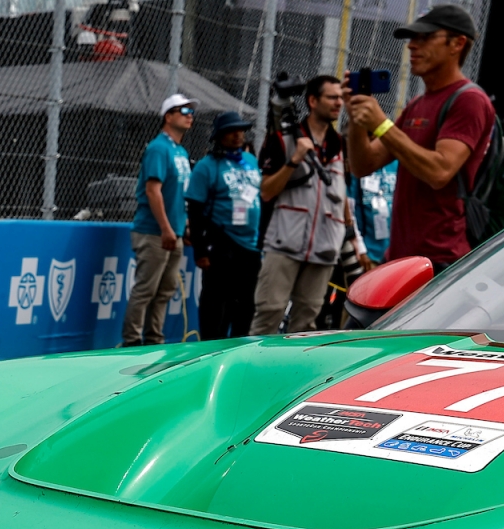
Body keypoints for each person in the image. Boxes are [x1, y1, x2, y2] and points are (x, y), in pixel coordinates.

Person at [344, 3, 494, 266]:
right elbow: (362, 165)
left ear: (457, 44)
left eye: (424, 37)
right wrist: (356, 118)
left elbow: (440, 172)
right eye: (412, 38)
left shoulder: (469, 100)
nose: (412, 46)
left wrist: (381, 124)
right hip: (402, 258)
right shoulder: (417, 104)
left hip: (440, 261)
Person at [251, 76, 349, 335]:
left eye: (341, 97)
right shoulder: (282, 139)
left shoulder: (339, 144)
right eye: (332, 97)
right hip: (284, 244)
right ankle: (253, 372)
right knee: (268, 315)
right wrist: (294, 160)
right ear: (313, 101)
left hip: (324, 248)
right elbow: (266, 191)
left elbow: (342, 198)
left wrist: (352, 242)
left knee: (306, 324)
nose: (339, 103)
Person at [122, 93, 193, 346]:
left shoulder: (181, 151)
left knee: (164, 291)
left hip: (172, 232)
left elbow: (180, 194)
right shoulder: (158, 148)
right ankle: (131, 341)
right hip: (155, 232)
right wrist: (165, 228)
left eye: (191, 112)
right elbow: (153, 190)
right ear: (168, 116)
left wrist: (183, 226)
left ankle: (154, 339)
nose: (190, 116)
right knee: (146, 290)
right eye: (184, 111)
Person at [186, 110, 262, 341]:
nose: (238, 135)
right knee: (216, 303)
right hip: (222, 243)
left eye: (241, 130)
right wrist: (201, 251)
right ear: (219, 136)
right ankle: (210, 349)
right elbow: (195, 210)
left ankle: (240, 348)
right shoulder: (207, 166)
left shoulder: (250, 160)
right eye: (231, 131)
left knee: (245, 304)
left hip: (250, 246)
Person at [350, 160, 397, 265]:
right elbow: (351, 208)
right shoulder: (359, 165)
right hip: (369, 254)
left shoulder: (398, 163)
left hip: (398, 254)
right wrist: (361, 248)